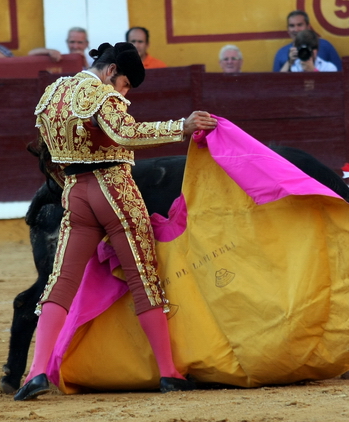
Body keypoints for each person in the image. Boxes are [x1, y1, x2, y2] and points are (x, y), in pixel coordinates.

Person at [13, 41, 217, 401]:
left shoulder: (53, 94)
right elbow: (126, 133)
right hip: (115, 191)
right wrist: (180, 127)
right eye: (124, 85)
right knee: (144, 280)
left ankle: (36, 371)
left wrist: (72, 190)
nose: (124, 93)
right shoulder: (101, 96)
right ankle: (168, 372)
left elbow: (51, 154)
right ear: (111, 72)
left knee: (59, 284)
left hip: (75, 192)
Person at [273, 10, 342, 72]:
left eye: (300, 25)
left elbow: (340, 76)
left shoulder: (325, 46)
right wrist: (289, 62)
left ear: (308, 27)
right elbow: (275, 82)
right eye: (292, 26)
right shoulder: (281, 53)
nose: (296, 29)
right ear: (288, 29)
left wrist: (313, 69)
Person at [28, 27, 93, 68]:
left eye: (80, 42)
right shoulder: (61, 58)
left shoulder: (94, 61)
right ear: (67, 42)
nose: (75, 46)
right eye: (72, 42)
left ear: (86, 44)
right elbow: (31, 53)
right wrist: (50, 51)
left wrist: (85, 64)